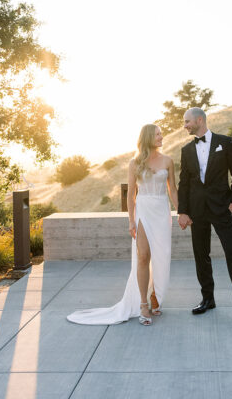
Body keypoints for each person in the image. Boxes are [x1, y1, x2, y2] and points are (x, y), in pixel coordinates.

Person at [67, 124, 178, 326]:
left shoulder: (168, 161)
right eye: (158, 134)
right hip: (143, 211)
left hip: (161, 212)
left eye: (162, 134)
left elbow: (173, 191)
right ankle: (143, 303)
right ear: (147, 138)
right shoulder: (135, 163)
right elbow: (131, 196)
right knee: (143, 256)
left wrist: (181, 212)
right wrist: (130, 220)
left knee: (161, 258)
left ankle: (156, 297)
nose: (162, 137)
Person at [177, 108, 232, 327]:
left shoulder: (225, 142)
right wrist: (183, 211)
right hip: (197, 211)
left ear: (199, 120)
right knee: (201, 255)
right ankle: (208, 299)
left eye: (187, 122)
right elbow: (183, 183)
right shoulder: (186, 150)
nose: (184, 126)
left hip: (222, 209)